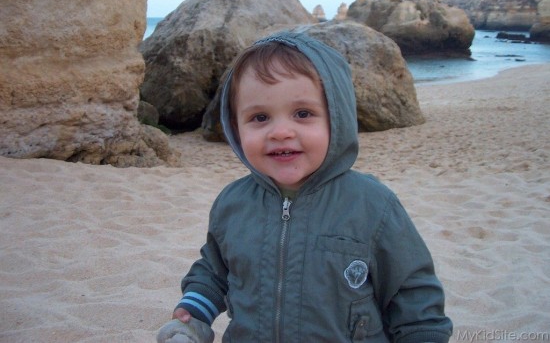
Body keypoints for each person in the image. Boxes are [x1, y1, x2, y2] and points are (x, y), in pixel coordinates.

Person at [159, 31, 453, 342]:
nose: (281, 131)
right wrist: (193, 311)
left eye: (303, 114)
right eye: (260, 117)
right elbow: (215, 271)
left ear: (336, 119)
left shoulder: (372, 205)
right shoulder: (233, 203)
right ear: (235, 127)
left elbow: (412, 292)